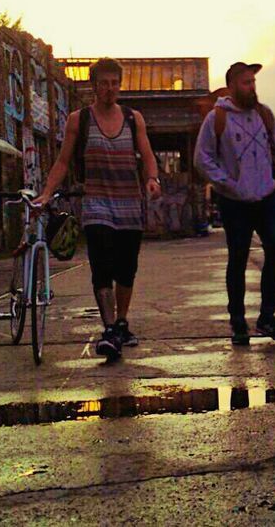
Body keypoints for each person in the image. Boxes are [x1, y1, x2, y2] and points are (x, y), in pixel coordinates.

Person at [36, 58, 161, 360]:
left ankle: (121, 321)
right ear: (94, 86)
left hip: (130, 204)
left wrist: (153, 179)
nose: (109, 89)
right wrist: (46, 193)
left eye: (114, 83)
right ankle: (109, 330)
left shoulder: (134, 119)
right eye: (103, 83)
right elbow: (63, 161)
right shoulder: (80, 120)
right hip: (97, 204)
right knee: (102, 265)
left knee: (126, 269)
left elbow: (146, 154)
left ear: (120, 85)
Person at [195, 61, 275, 345]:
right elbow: (202, 158)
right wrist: (225, 182)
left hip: (266, 197)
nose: (252, 87)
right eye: (246, 82)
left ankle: (267, 318)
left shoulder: (264, 115)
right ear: (233, 85)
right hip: (234, 202)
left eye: (254, 82)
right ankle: (238, 323)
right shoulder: (217, 117)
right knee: (238, 260)